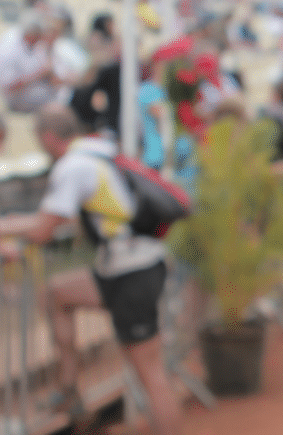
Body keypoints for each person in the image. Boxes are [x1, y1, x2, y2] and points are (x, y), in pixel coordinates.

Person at [0, 104, 182, 435]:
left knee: (151, 372)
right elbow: (58, 218)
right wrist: (12, 226)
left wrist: (8, 228)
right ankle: (68, 387)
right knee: (55, 294)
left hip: (132, 271)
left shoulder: (73, 166)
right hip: (124, 267)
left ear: (46, 137)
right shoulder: (99, 150)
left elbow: (44, 230)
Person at [0, 11, 59, 112]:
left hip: (32, 83)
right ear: (32, 34)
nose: (41, 38)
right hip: (16, 98)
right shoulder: (9, 51)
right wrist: (39, 74)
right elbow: (9, 88)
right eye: (39, 35)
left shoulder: (25, 36)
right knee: (58, 100)